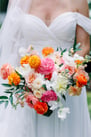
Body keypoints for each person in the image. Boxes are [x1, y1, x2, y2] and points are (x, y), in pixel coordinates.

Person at [0, 0, 91, 137]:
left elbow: (84, 45)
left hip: (67, 86)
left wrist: (65, 73)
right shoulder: (18, 2)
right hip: (29, 87)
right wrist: (27, 77)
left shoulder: (79, 1)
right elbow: (12, 44)